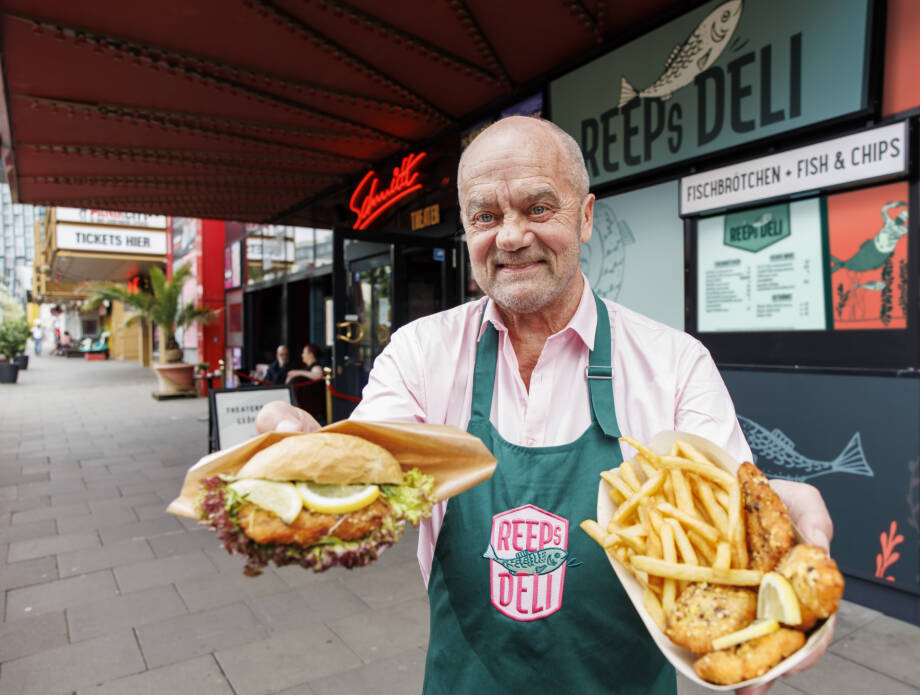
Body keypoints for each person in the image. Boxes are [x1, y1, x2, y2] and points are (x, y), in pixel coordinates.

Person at [257, 116, 833, 694]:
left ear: (585, 217)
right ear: (465, 228)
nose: (509, 237)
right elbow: (367, 468)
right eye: (486, 216)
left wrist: (772, 519)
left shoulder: (675, 364)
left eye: (537, 209)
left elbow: (730, 517)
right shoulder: (421, 353)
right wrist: (309, 465)